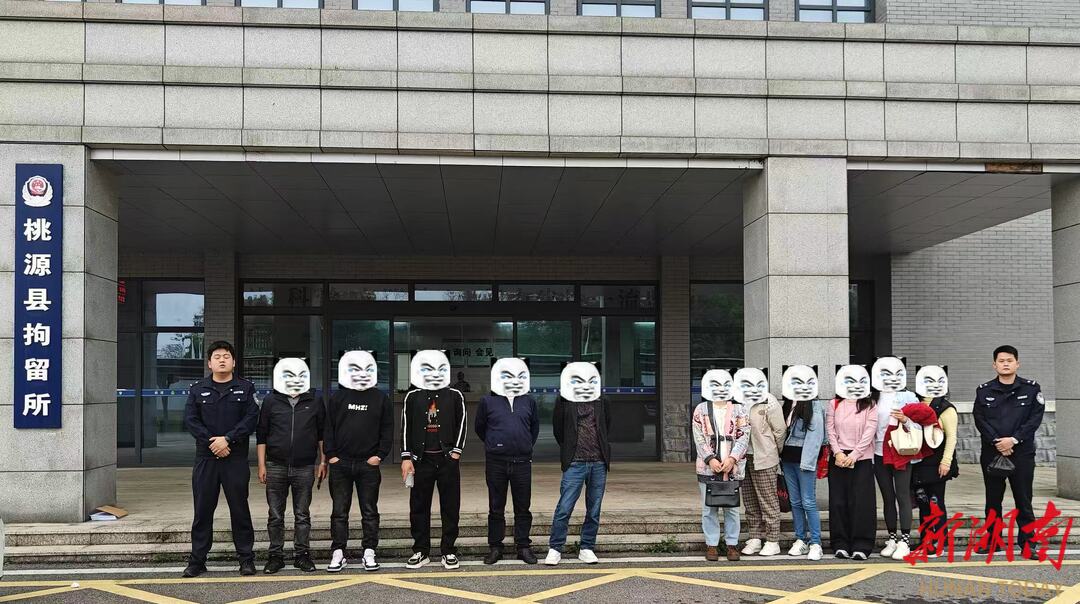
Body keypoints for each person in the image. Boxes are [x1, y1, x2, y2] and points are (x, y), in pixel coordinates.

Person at [181, 341, 259, 578]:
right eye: (217, 356)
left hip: (235, 458)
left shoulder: (246, 388)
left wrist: (228, 439)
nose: (222, 360)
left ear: (234, 362)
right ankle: (197, 561)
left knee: (240, 510)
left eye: (226, 356)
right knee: (202, 511)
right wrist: (213, 443)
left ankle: (246, 559)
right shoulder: (198, 389)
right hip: (206, 459)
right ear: (209, 363)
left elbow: (251, 419)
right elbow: (191, 420)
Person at [324, 351, 394, 573]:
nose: (362, 374)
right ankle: (338, 551)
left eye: (367, 369)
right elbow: (328, 428)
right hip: (341, 464)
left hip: (368, 465)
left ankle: (369, 551)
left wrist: (379, 456)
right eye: (356, 369)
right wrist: (331, 456)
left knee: (369, 511)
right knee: (339, 511)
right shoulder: (338, 398)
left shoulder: (381, 399)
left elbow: (387, 430)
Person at [973, 345, 1044, 557]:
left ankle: (1028, 543)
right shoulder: (984, 390)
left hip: (1022, 453)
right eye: (1001, 361)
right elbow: (980, 419)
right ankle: (993, 541)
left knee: (1024, 499)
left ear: (1017, 364)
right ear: (994, 365)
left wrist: (1013, 440)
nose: (1005, 364)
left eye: (1009, 360)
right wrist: (998, 442)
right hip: (993, 451)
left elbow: (1035, 419)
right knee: (993, 500)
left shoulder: (1031, 389)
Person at [256, 358, 326, 574]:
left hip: (304, 467)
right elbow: (262, 435)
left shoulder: (315, 400)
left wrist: (322, 461)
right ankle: (275, 556)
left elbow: (322, 434)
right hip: (275, 465)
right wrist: (261, 465)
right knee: (275, 515)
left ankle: (302, 555)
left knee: (302, 514)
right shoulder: (271, 401)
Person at [401, 350, 467, 570]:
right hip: (421, 461)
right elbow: (405, 427)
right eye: (428, 369)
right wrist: (406, 457)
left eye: (440, 369)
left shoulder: (455, 395)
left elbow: (462, 423)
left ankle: (449, 551)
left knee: (451, 507)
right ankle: (421, 551)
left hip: (447, 460)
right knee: (418, 507)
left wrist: (456, 452)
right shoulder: (413, 396)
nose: (434, 373)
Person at [544, 362, 612, 566]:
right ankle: (555, 548)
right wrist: (570, 449)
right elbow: (558, 430)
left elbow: (607, 427)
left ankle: (587, 547)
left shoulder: (602, 400)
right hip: (575, 462)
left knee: (594, 509)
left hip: (598, 462)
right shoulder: (564, 401)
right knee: (564, 507)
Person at [476, 358, 541, 565]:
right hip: (496, 462)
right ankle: (496, 547)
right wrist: (495, 444)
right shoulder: (487, 401)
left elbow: (534, 428)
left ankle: (523, 546)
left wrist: (524, 445)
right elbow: (480, 428)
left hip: (522, 462)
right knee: (496, 507)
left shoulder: (528, 401)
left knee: (523, 507)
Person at [692, 369, 749, 562]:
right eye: (715, 385)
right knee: (709, 508)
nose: (721, 389)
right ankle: (712, 545)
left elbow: (743, 436)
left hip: (733, 468)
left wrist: (732, 459)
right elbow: (699, 438)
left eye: (725, 384)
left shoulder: (740, 409)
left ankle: (732, 544)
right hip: (708, 467)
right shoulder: (700, 410)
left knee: (732, 508)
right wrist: (711, 459)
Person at [826, 364, 879, 561]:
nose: (855, 385)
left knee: (861, 503)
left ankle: (862, 544)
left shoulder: (870, 405)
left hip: (862, 459)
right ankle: (840, 543)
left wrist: (854, 455)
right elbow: (830, 429)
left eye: (860, 381)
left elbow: (870, 432)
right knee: (838, 502)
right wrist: (838, 453)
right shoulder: (834, 404)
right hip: (838, 459)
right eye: (850, 381)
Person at [870, 356, 920, 560]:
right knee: (887, 497)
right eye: (886, 373)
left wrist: (906, 419)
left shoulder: (909, 396)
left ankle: (905, 540)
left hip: (901, 452)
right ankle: (892, 538)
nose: (892, 378)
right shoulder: (871, 397)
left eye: (897, 373)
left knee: (903, 495)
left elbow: (920, 425)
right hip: (878, 453)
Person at [732, 368, 785, 558]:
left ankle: (773, 540)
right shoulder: (736, 401)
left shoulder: (769, 401)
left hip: (764, 457)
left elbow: (780, 431)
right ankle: (754, 537)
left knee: (767, 500)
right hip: (743, 458)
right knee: (750, 500)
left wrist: (773, 451)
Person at [778, 365, 827, 561]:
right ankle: (800, 539)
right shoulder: (787, 404)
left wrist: (808, 462)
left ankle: (815, 542)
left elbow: (816, 438)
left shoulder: (814, 406)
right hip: (787, 460)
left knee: (808, 501)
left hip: (805, 461)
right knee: (795, 502)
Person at [911, 365, 958, 555]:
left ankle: (939, 541)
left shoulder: (947, 408)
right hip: (919, 462)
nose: (934, 385)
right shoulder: (914, 404)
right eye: (928, 381)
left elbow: (952, 437)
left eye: (939, 381)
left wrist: (946, 462)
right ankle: (926, 541)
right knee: (923, 502)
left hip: (938, 463)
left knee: (936, 502)